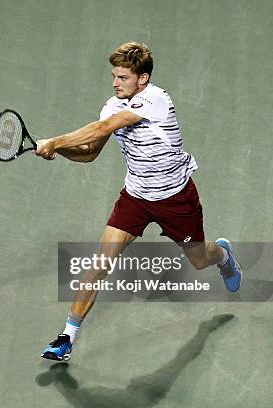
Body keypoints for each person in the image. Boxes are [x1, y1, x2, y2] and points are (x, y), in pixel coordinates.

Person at [35, 42, 242, 362]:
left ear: (142, 79)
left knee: (200, 260)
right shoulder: (112, 105)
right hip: (136, 197)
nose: (115, 82)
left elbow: (104, 127)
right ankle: (67, 338)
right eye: (114, 76)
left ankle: (224, 254)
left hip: (175, 198)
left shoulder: (156, 100)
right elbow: (90, 153)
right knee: (100, 264)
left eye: (123, 77)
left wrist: (56, 140)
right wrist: (59, 151)